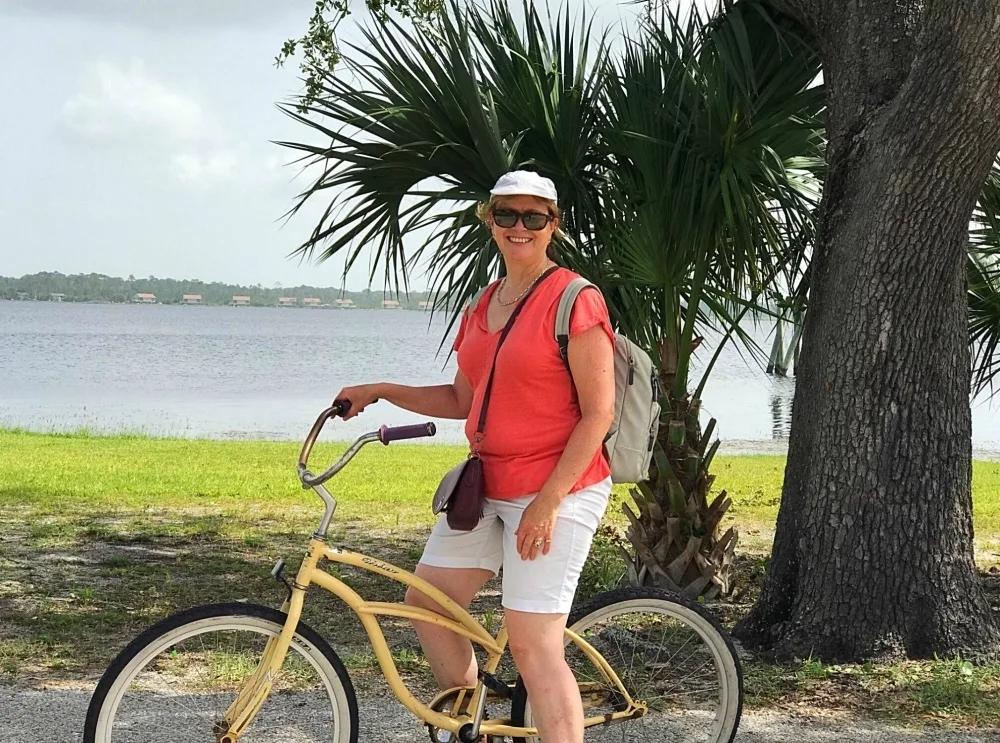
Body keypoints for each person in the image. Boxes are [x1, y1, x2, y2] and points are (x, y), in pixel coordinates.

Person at [333, 170, 616, 743]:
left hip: (561, 486)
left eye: (533, 217)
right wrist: (382, 389)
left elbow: (598, 414)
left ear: (552, 226)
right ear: (489, 220)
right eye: (507, 214)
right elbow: (462, 399)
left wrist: (549, 501)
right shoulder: (484, 303)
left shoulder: (575, 300)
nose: (519, 227)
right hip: (487, 485)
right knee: (427, 606)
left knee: (534, 641)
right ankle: (478, 730)